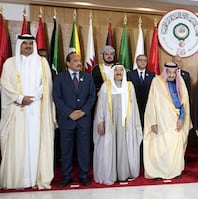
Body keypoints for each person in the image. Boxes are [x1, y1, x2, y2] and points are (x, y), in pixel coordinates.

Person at [0, 34, 55, 189]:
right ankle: (19, 180)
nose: (28, 46)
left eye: (30, 43)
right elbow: (4, 85)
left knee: (36, 142)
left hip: (37, 109)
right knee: (18, 143)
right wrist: (19, 98)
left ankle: (36, 178)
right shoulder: (10, 63)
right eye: (24, 43)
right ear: (19, 45)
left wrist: (33, 98)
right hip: (17, 109)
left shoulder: (42, 62)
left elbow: (46, 84)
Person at [93, 64, 143, 185]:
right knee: (111, 147)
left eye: (121, 70)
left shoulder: (129, 86)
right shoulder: (106, 86)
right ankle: (111, 174)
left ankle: (124, 174)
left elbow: (134, 106)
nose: (119, 72)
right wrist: (100, 122)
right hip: (111, 125)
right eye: (116, 70)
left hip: (126, 125)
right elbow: (100, 106)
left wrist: (136, 124)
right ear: (112, 73)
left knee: (124, 148)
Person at [53, 52, 96, 187]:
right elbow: (57, 98)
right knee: (66, 150)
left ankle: (83, 175)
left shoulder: (87, 78)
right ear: (67, 63)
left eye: (80, 60)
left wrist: (83, 111)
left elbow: (92, 97)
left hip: (83, 119)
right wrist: (69, 113)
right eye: (75, 60)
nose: (79, 63)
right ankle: (67, 176)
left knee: (84, 149)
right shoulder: (60, 78)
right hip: (67, 120)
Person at [143, 62, 192, 180]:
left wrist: (181, 119)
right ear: (165, 72)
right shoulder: (156, 82)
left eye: (173, 73)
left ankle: (175, 171)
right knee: (160, 146)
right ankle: (157, 172)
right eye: (169, 72)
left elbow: (184, 103)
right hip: (160, 120)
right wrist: (153, 122)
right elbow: (151, 103)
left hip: (175, 120)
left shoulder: (181, 82)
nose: (171, 75)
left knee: (175, 146)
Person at [127, 54, 155, 128]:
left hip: (148, 105)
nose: (143, 62)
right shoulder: (129, 74)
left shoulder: (152, 75)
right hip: (134, 104)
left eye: (144, 60)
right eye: (140, 60)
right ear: (136, 62)